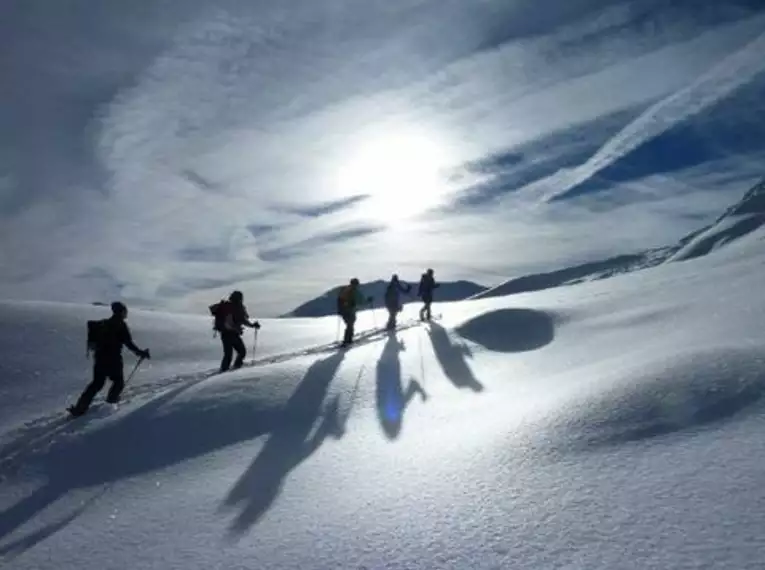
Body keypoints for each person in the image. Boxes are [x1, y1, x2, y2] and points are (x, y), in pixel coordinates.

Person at [68, 301, 151, 417]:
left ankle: (79, 409)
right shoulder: (121, 325)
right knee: (118, 382)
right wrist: (141, 353)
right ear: (121, 312)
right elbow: (128, 343)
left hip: (99, 358)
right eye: (125, 311)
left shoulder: (104, 324)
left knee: (96, 384)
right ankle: (110, 405)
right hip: (113, 359)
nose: (126, 313)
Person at [210, 290, 261, 373]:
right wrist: (253, 325)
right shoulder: (237, 308)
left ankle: (224, 371)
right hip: (232, 333)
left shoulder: (227, 306)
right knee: (241, 352)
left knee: (228, 355)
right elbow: (243, 320)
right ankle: (235, 370)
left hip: (225, 333)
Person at [336, 278, 372, 346]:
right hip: (350, 311)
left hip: (343, 311)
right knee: (350, 325)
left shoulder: (345, 290)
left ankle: (347, 340)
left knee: (349, 325)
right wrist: (368, 300)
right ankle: (348, 340)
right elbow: (361, 301)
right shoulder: (354, 291)